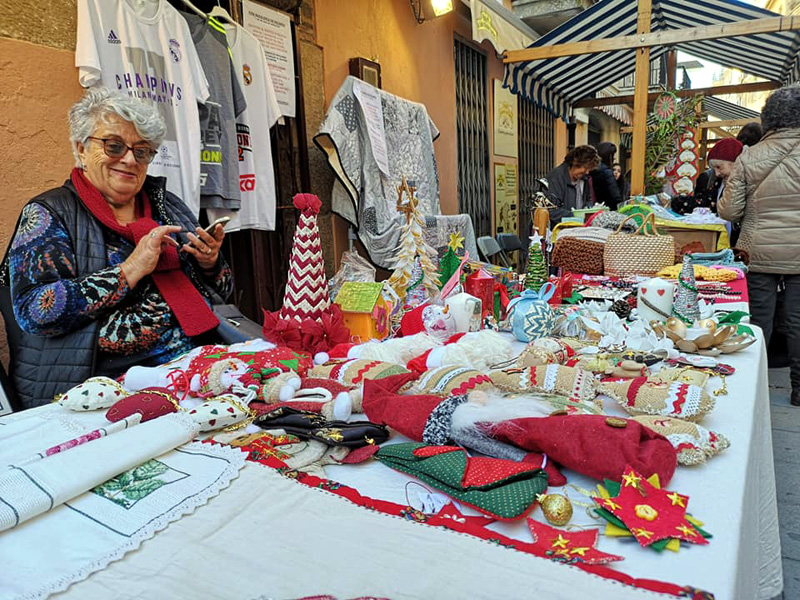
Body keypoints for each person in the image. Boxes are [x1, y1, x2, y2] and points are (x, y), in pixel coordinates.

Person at [1, 87, 233, 410]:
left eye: (141, 151)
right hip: (100, 389)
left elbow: (224, 291)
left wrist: (210, 263)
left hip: (197, 368)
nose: (128, 159)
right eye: (114, 146)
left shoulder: (167, 206)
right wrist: (129, 271)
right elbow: (35, 312)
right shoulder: (49, 213)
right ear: (81, 149)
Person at [719, 85, 800, 407]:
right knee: (797, 320)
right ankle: (798, 389)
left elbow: (729, 211)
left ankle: (752, 387)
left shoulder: (750, 155)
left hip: (759, 249)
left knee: (758, 319)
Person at [543, 145, 601, 226]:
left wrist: (589, 209)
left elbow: (588, 199)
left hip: (577, 227)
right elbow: (550, 210)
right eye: (585, 168)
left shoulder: (584, 179)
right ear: (575, 163)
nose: (587, 172)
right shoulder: (556, 178)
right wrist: (576, 216)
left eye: (589, 169)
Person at [688, 137, 743, 214]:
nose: (717, 173)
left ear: (734, 163)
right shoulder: (718, 182)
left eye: (719, 167)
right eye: (714, 169)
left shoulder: (747, 184)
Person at [589, 142, 622, 210]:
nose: (614, 158)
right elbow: (615, 196)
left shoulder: (591, 169)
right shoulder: (607, 172)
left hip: (594, 206)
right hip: (608, 208)